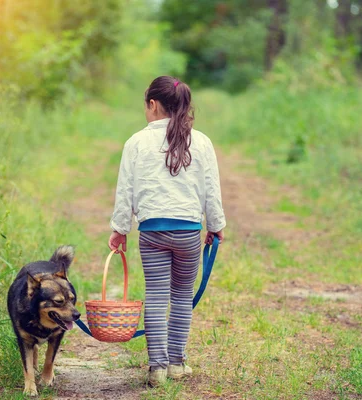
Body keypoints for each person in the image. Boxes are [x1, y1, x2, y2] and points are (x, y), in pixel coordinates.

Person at [108, 76, 226, 386]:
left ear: (152, 104)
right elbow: (211, 189)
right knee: (182, 296)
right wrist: (216, 225)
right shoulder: (200, 141)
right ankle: (177, 363)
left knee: (157, 296)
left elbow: (126, 191)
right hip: (188, 232)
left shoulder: (136, 142)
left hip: (152, 233)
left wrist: (120, 229)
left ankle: (157, 368)